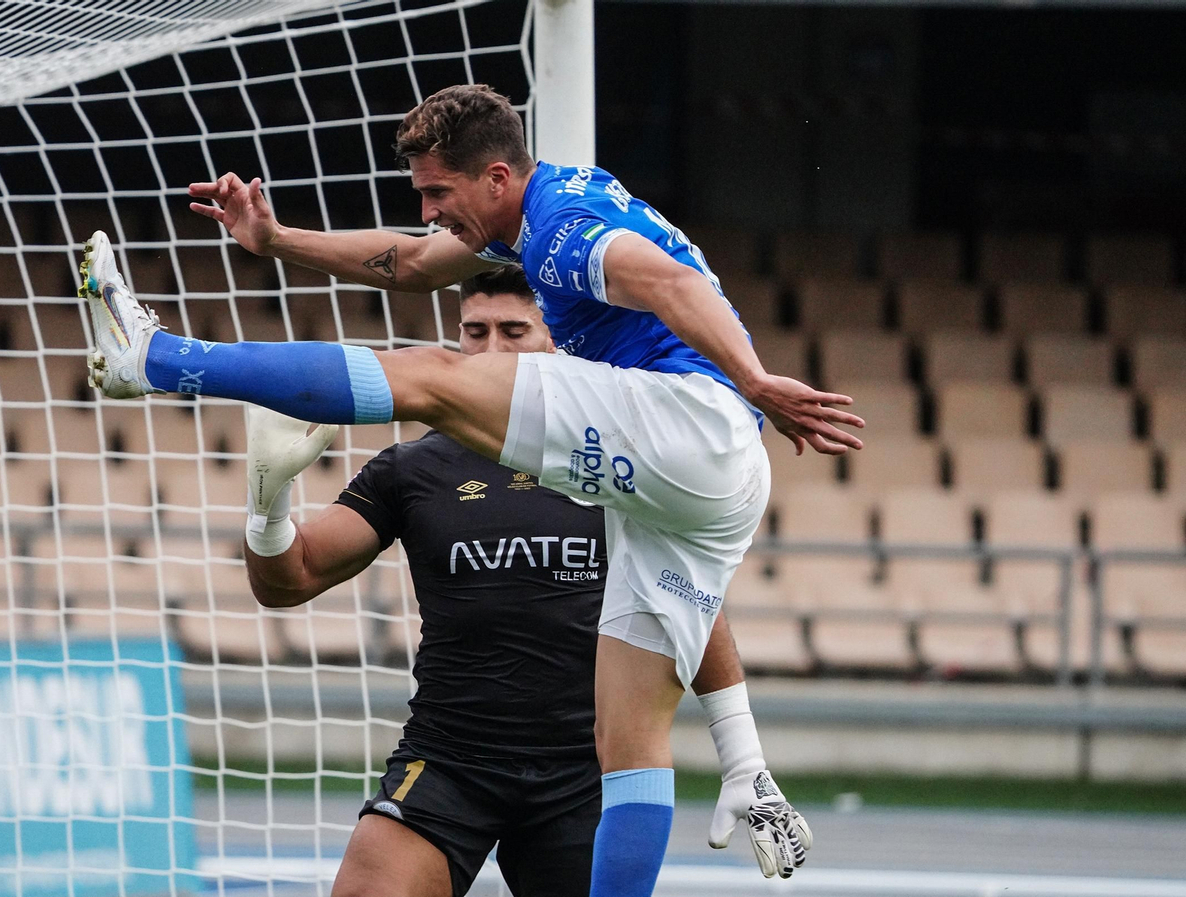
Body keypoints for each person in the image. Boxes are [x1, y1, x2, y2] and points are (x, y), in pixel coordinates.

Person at [80, 83, 849, 894]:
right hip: (713, 478)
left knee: (434, 378)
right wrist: (273, 240)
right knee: (631, 741)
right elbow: (409, 262)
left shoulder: (557, 228)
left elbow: (669, 284)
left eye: (438, 192)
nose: (430, 209)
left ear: (495, 177)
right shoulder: (529, 220)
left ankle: (156, 358)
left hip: (694, 422)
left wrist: (757, 380)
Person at [236, 266, 807, 897]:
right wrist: (269, 503)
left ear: (557, 338)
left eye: (514, 330)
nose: (491, 350)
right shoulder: (411, 468)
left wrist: (743, 755)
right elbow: (290, 579)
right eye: (474, 332)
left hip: (584, 775)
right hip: (450, 760)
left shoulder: (618, 460)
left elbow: (689, 605)